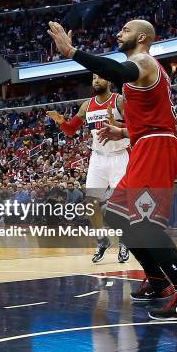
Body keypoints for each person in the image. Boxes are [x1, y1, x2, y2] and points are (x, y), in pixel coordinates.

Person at [48, 19, 177, 320]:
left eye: (124, 30)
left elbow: (117, 73)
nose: (118, 33)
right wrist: (123, 132)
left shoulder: (143, 60)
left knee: (146, 224)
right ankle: (159, 281)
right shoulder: (144, 71)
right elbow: (152, 114)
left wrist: (71, 51)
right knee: (114, 215)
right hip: (145, 143)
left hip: (157, 147)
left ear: (142, 36)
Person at [47, 74, 130, 264]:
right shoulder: (87, 105)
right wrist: (60, 121)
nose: (96, 81)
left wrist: (118, 124)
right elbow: (70, 130)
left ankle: (125, 241)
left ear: (109, 81)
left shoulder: (119, 101)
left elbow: (136, 126)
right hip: (98, 158)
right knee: (90, 203)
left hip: (119, 157)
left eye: (101, 78)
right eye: (93, 78)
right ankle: (102, 240)